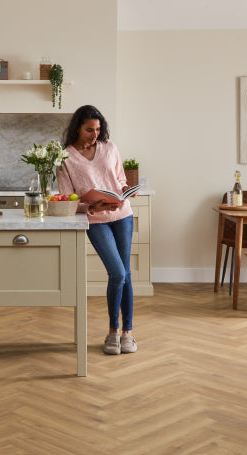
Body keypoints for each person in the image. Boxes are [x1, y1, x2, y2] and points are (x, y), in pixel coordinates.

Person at [57, 105, 137, 355]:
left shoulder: (110, 148)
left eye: (98, 129)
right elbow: (66, 198)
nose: (94, 134)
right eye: (89, 130)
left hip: (122, 214)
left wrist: (123, 193)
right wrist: (90, 204)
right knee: (117, 273)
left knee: (125, 273)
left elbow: (121, 179)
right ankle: (113, 331)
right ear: (77, 129)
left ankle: (127, 333)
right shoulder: (65, 158)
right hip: (95, 219)